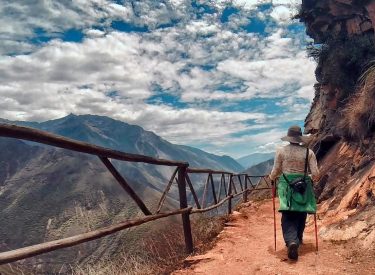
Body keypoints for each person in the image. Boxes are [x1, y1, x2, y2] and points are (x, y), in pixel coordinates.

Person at [269, 125, 319, 260]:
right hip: (303, 186)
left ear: (289, 138)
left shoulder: (281, 151)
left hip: (286, 186)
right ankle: (298, 238)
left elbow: (276, 170)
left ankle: (292, 241)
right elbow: (315, 173)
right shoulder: (309, 152)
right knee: (301, 211)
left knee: (288, 213)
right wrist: (309, 180)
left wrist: (271, 178)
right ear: (300, 137)